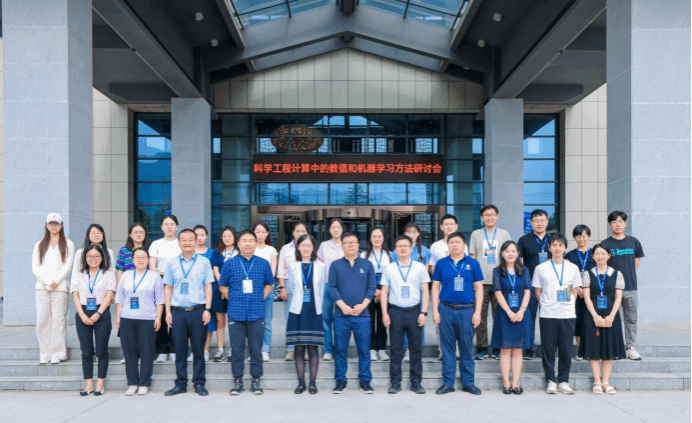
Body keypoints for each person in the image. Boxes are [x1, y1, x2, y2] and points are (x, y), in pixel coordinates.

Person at [219, 230, 275, 396]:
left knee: (256, 349)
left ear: (255, 243)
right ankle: (237, 381)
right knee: (237, 349)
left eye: (251, 240)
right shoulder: (229, 264)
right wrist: (233, 298)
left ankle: (256, 380)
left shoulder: (263, 263)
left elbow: (269, 283)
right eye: (244, 240)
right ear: (238, 244)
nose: (248, 244)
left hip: (256, 312)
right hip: (236, 312)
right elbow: (222, 285)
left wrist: (260, 298)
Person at [162, 229, 214, 397]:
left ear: (196, 241)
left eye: (190, 239)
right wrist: (168, 312)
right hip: (178, 312)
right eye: (183, 240)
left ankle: (199, 383)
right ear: (179, 243)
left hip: (198, 311)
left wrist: (207, 309)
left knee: (199, 350)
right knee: (180, 351)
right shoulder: (171, 263)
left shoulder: (204, 262)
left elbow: (208, 286)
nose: (187, 243)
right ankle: (181, 384)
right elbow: (168, 287)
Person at [431, 232, 484, 396]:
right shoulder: (441, 263)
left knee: (466, 348)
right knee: (447, 349)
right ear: (448, 245)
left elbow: (479, 288)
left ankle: (468, 383)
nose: (454, 245)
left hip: (467, 310)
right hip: (446, 309)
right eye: (451, 242)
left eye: (458, 242)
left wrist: (477, 312)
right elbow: (435, 287)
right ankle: (448, 383)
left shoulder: (473, 263)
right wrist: (435, 311)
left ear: (464, 245)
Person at [532, 233, 581, 395]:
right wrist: (547, 304)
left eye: (560, 245)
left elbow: (575, 290)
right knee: (548, 350)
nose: (557, 248)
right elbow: (538, 292)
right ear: (549, 248)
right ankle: (551, 381)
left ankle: (563, 381)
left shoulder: (573, 268)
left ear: (565, 248)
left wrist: (568, 304)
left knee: (566, 350)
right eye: (554, 245)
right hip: (548, 314)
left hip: (567, 314)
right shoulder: (541, 268)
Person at [381, 235, 430, 395]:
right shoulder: (389, 268)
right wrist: (385, 314)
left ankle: (416, 381)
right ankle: (395, 382)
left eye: (405, 246)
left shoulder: (419, 267)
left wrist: (423, 312)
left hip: (414, 312)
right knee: (396, 349)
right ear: (395, 250)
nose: (402, 248)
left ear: (411, 248)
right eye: (399, 246)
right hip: (395, 312)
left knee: (416, 349)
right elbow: (384, 292)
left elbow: (425, 291)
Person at [330, 232, 377, 394]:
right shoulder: (335, 265)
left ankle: (365, 381)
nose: (350, 245)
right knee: (340, 350)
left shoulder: (367, 264)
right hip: (341, 316)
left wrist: (363, 305)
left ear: (358, 245)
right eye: (347, 242)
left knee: (364, 350)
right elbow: (332, 288)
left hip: (362, 316)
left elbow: (371, 288)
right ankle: (340, 381)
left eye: (353, 242)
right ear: (342, 246)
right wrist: (342, 306)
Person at [115, 247, 164, 396]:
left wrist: (158, 317)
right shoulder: (126, 275)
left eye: (144, 257)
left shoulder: (154, 276)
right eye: (137, 257)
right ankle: (132, 383)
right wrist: (118, 317)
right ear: (132, 259)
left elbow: (160, 300)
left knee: (147, 352)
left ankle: (144, 383)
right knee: (129, 352)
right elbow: (120, 298)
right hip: (127, 318)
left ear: (148, 259)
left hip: (147, 318)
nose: (141, 259)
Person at [580, 244, 626, 395]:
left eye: (603, 253)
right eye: (597, 254)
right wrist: (595, 316)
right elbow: (586, 297)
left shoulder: (617, 274)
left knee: (608, 350)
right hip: (592, 315)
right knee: (594, 349)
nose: (600, 256)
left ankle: (606, 382)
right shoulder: (588, 274)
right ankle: (597, 382)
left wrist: (612, 316)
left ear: (608, 256)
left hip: (611, 315)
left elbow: (618, 297)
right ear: (593, 256)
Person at [71, 245, 116, 396]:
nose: (93, 259)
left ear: (102, 258)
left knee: (101, 351)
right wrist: (82, 315)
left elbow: (109, 295)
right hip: (83, 312)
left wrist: (98, 313)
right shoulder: (79, 274)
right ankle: (88, 384)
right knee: (86, 352)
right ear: (85, 258)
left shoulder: (108, 274)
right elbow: (75, 295)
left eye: (96, 256)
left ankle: (100, 384)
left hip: (101, 313)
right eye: (90, 256)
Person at [468, 205, 512, 361]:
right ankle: (482, 347)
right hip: (481, 281)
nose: (489, 217)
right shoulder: (476, 234)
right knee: (480, 315)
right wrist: (473, 279)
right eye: (486, 215)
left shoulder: (504, 234)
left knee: (499, 316)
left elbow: (509, 255)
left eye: (492, 214)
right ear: (481, 218)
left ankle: (498, 347)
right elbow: (472, 257)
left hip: (500, 280)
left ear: (497, 216)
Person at [600, 211, 645, 361]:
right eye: (614, 222)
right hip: (611, 289)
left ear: (625, 224)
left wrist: (625, 276)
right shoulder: (605, 244)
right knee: (610, 317)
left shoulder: (634, 242)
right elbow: (602, 265)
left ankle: (630, 348)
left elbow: (636, 263)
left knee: (631, 319)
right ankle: (612, 347)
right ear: (609, 225)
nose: (617, 225)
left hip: (630, 287)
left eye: (620, 221)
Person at [490, 241, 533, 395]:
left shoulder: (524, 270)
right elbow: (498, 293)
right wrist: (509, 312)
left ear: (518, 253)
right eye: (507, 251)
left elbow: (527, 291)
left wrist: (521, 311)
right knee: (505, 349)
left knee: (518, 350)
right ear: (502, 253)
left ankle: (515, 383)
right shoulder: (497, 271)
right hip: (504, 314)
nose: (510, 254)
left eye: (513, 251)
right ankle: (506, 383)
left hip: (521, 313)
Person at [32, 213, 75, 364]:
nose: (54, 226)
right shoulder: (39, 244)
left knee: (58, 321)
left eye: (57, 223)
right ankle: (45, 354)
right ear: (46, 225)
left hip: (60, 288)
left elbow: (68, 265)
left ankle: (58, 354)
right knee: (42, 321)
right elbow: (35, 267)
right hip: (42, 287)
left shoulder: (68, 244)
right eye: (51, 223)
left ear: (61, 225)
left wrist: (55, 282)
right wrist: (47, 282)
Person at [286, 234, 326, 395]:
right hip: (297, 310)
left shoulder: (321, 266)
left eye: (309, 245)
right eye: (303, 245)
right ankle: (301, 383)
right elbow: (291, 288)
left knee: (313, 348)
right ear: (298, 248)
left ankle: (313, 383)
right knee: (299, 348)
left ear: (314, 248)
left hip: (314, 310)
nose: (306, 248)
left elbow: (321, 289)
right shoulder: (292, 266)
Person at [391, 222, 430, 362]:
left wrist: (420, 285)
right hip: (401, 291)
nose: (411, 234)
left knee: (418, 319)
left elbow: (426, 270)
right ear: (404, 233)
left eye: (414, 232)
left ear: (418, 234)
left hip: (417, 291)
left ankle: (416, 348)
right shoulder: (397, 250)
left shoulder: (424, 250)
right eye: (408, 232)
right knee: (403, 321)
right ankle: (406, 349)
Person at [517, 209, 552, 360]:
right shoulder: (524, 240)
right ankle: (528, 348)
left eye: (542, 220)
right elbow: (518, 262)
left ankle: (548, 348)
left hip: (550, 285)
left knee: (548, 319)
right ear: (531, 223)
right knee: (529, 318)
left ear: (547, 222)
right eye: (536, 221)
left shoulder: (554, 239)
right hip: (530, 285)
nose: (539, 223)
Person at [149, 215, 182, 363]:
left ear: (176, 226)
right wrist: (157, 278)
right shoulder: (156, 244)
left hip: (178, 282)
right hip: (161, 280)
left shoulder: (181, 243)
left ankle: (174, 349)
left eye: (172, 224)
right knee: (161, 315)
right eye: (166, 224)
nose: (169, 227)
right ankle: (162, 349)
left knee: (176, 314)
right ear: (162, 227)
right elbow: (152, 264)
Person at [564, 224, 597, 361]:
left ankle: (591, 349)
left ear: (588, 237)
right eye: (578, 236)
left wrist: (588, 290)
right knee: (578, 321)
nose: (581, 239)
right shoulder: (570, 255)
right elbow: (566, 276)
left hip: (592, 293)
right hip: (575, 293)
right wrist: (577, 289)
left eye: (584, 236)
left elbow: (598, 273)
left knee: (591, 321)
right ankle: (580, 350)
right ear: (574, 237)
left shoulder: (595, 254)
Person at [277, 222, 309, 360]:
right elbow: (281, 270)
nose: (300, 233)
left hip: (306, 285)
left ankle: (305, 349)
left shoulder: (310, 247)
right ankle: (290, 349)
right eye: (297, 231)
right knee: (291, 319)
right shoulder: (286, 249)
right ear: (293, 233)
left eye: (303, 231)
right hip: (290, 284)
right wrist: (282, 288)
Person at [361, 227, 391, 362]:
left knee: (383, 320)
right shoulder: (364, 255)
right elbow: (362, 276)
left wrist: (383, 291)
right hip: (369, 290)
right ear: (370, 238)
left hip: (385, 290)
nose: (377, 239)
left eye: (379, 236)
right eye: (374, 236)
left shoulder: (390, 255)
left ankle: (382, 349)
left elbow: (392, 275)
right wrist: (373, 291)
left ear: (383, 238)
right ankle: (372, 349)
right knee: (370, 320)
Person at [317, 218, 345, 362]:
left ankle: (340, 349)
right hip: (326, 285)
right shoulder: (324, 245)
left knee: (340, 319)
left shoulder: (346, 244)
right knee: (326, 318)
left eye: (338, 227)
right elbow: (319, 265)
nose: (335, 230)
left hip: (342, 286)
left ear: (342, 229)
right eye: (333, 227)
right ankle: (327, 350)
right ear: (329, 229)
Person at [210, 226, 239, 362]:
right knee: (220, 321)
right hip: (219, 290)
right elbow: (215, 270)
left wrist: (229, 288)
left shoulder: (239, 252)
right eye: (224, 236)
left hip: (235, 291)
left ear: (234, 237)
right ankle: (220, 350)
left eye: (230, 236)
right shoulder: (217, 253)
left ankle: (233, 350)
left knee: (234, 322)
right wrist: (223, 287)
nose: (227, 238)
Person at [189, 225, 215, 363]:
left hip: (207, 291)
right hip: (191, 293)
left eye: (202, 235)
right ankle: (195, 350)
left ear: (207, 236)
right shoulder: (188, 253)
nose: (199, 238)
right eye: (197, 235)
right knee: (193, 324)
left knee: (208, 322)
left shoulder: (212, 253)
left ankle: (205, 350)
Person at [253, 221, 279, 362]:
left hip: (267, 287)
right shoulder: (250, 248)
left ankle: (265, 349)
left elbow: (272, 272)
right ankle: (254, 349)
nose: (260, 235)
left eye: (263, 232)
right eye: (257, 232)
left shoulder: (271, 250)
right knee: (252, 321)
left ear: (267, 233)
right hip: (251, 289)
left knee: (267, 321)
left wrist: (265, 286)